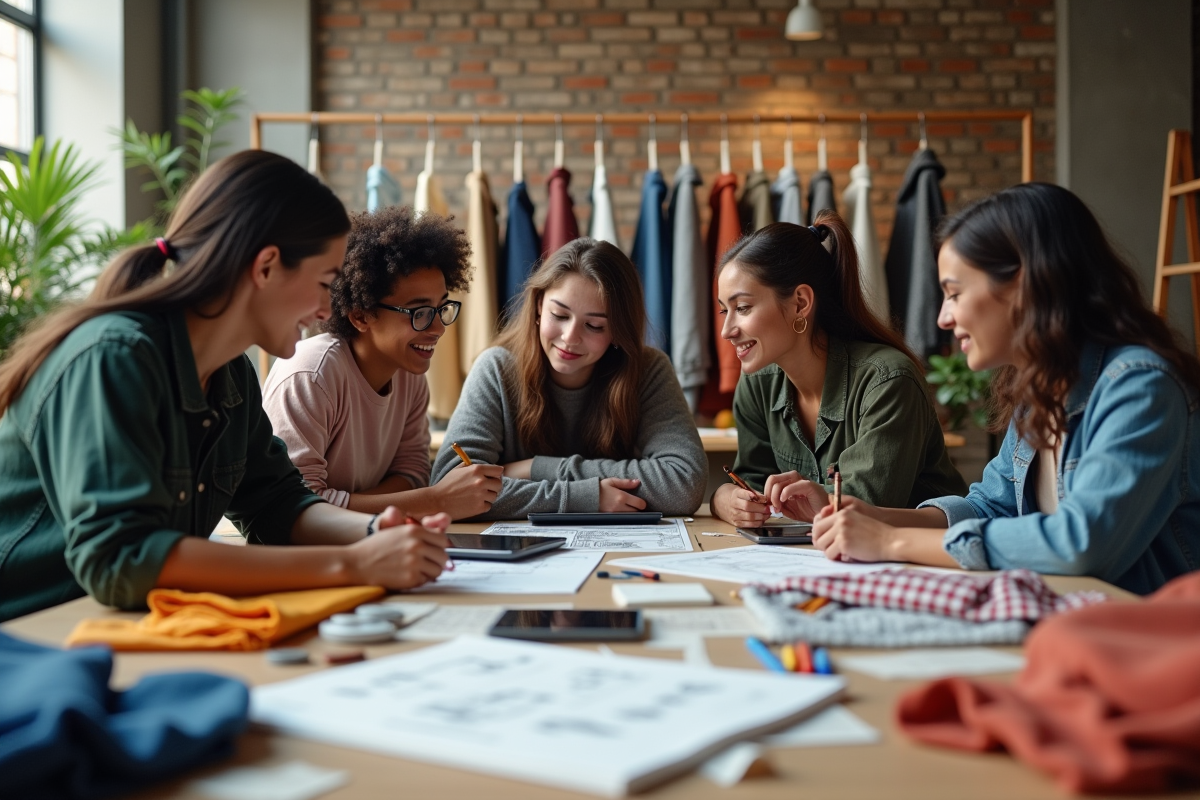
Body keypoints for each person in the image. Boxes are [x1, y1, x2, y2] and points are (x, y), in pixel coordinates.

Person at [0, 150, 450, 623]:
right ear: (266, 267)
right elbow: (123, 560)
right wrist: (352, 563)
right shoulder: (113, 358)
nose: (326, 309)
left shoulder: (231, 373)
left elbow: (276, 503)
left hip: (112, 634)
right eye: (325, 282)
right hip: (26, 642)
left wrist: (375, 531)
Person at [806, 183, 1200, 595]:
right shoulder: (1039, 389)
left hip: (1151, 639)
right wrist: (880, 518)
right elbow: (992, 506)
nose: (942, 317)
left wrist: (890, 541)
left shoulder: (1142, 387)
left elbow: (1081, 543)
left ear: (1024, 286)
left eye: (954, 294)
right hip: (1075, 622)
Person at [710, 218, 966, 529]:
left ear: (800, 303)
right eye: (725, 310)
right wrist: (725, 499)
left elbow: (870, 508)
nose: (726, 331)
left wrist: (818, 499)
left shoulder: (887, 380)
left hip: (917, 561)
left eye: (744, 307)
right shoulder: (756, 383)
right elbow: (750, 480)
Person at [431, 237, 706, 519]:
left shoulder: (648, 370)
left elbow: (684, 484)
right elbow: (449, 488)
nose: (570, 337)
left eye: (594, 326)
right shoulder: (496, 369)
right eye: (560, 315)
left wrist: (536, 468)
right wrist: (584, 497)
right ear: (539, 305)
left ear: (617, 330)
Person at [263, 206, 503, 520]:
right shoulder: (310, 375)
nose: (438, 328)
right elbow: (294, 505)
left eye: (441, 307)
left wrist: (351, 503)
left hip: (368, 543)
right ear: (361, 315)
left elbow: (413, 474)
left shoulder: (408, 372)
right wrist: (434, 501)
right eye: (419, 312)